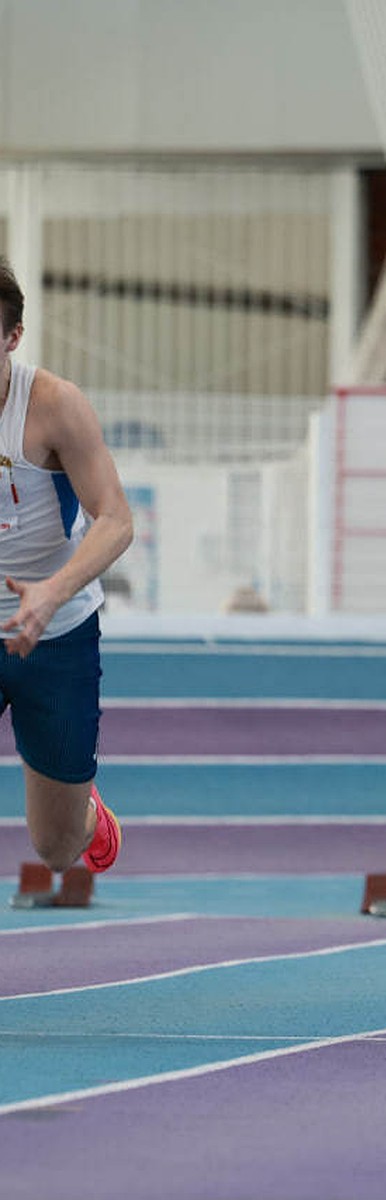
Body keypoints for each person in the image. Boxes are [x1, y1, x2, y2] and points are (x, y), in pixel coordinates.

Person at [0, 257, 133, 884]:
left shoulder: (52, 405)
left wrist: (51, 593)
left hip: (55, 634)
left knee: (55, 849)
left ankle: (85, 814)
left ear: (13, 336)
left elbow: (115, 520)